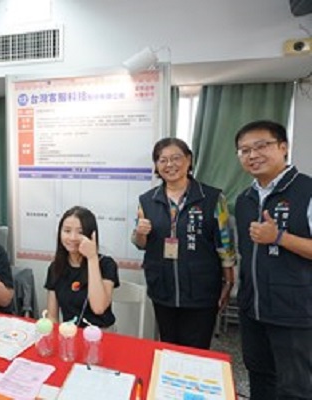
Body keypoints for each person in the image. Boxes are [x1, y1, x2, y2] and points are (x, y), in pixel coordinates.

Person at [132, 137, 236, 349]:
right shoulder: (147, 200)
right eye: (162, 160)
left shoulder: (212, 198)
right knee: (169, 345)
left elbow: (225, 242)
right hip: (163, 286)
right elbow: (140, 243)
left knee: (197, 349)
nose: (169, 164)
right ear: (156, 166)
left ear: (189, 160)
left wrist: (228, 281)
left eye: (176, 158)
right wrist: (139, 233)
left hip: (201, 288)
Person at [233, 120, 312, 400]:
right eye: (244, 150)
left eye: (261, 146)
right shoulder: (245, 199)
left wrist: (280, 237)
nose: (252, 155)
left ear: (283, 147)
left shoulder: (307, 191)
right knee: (260, 377)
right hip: (253, 308)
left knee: (295, 387)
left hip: (295, 311)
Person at [45, 206, 119, 328]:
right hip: (70, 333)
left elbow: (99, 308)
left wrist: (92, 258)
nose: (72, 237)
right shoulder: (55, 267)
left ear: (91, 235)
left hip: (101, 332)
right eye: (67, 231)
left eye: (80, 232)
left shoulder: (106, 264)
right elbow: (52, 316)